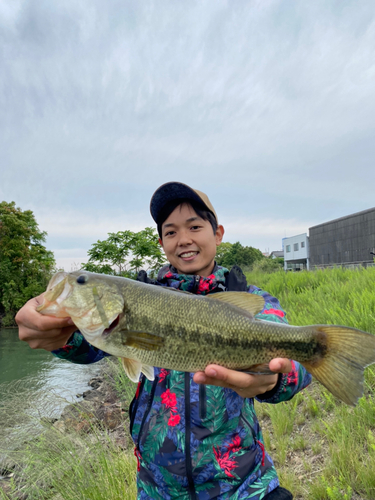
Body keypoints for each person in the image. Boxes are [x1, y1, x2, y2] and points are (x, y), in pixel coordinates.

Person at [16, 182, 311, 500]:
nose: (184, 239)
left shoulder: (252, 300)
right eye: (171, 232)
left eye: (195, 226)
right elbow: (88, 347)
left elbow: (298, 361)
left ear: (218, 233)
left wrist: (277, 377)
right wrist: (57, 336)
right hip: (159, 491)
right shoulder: (136, 298)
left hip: (243, 487)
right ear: (161, 242)